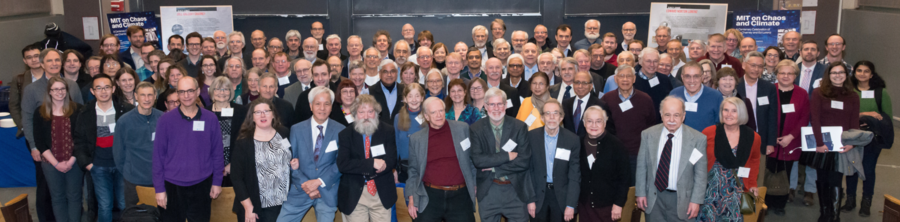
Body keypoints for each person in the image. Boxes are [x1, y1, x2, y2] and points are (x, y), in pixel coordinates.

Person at [21, 49, 85, 222]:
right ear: (42, 64)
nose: (54, 63)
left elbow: (80, 121)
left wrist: (74, 156)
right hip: (45, 150)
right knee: (47, 191)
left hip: (71, 151)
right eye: (50, 61)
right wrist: (34, 146)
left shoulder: (72, 85)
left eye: (58, 60)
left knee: (73, 194)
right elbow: (27, 119)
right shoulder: (31, 89)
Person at [153, 76, 224, 221]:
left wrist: (217, 182)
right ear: (177, 94)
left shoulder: (210, 119)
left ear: (198, 91)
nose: (186, 96)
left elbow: (217, 153)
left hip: (202, 184)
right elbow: (158, 157)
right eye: (182, 91)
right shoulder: (165, 120)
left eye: (190, 91)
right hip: (172, 185)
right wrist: (159, 189)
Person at [403, 95, 479, 221]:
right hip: (429, 196)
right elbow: (413, 171)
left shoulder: (462, 129)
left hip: (460, 196)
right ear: (426, 116)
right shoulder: (417, 139)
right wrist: (411, 197)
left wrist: (474, 184)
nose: (439, 115)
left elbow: (472, 159)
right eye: (433, 112)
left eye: (441, 111)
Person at [279, 86, 347, 221]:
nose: (322, 108)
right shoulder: (296, 129)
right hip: (300, 189)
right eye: (318, 104)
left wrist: (319, 182)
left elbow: (341, 163)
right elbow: (291, 161)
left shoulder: (341, 131)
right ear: (310, 106)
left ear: (331, 106)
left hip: (327, 190)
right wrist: (307, 184)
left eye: (326, 104)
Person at [635, 96, 708, 222]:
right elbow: (642, 166)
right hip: (654, 198)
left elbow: (700, 175)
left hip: (683, 201)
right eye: (667, 115)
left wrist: (696, 201)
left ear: (683, 116)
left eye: (677, 115)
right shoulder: (647, 135)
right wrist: (640, 192)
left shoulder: (697, 139)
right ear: (661, 114)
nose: (672, 120)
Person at [802, 62, 859, 221]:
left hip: (842, 145)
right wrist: (819, 143)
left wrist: (852, 143)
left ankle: (834, 216)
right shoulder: (819, 93)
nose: (838, 75)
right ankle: (824, 212)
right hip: (823, 145)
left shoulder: (853, 95)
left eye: (841, 72)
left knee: (835, 179)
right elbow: (816, 119)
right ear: (828, 75)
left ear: (846, 75)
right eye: (834, 73)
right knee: (822, 179)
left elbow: (854, 122)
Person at [74, 73, 135, 222]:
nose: (103, 91)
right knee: (105, 205)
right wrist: (88, 164)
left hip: (121, 166)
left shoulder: (126, 110)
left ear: (113, 88)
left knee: (124, 203)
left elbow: (134, 138)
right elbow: (79, 141)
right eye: (99, 88)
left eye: (107, 87)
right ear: (92, 91)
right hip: (98, 166)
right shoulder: (85, 113)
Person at [469, 88, 533, 222]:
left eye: (500, 104)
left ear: (506, 105)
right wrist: (507, 156)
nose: (496, 108)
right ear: (485, 107)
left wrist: (494, 168)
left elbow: (524, 161)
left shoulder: (519, 127)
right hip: (489, 190)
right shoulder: (476, 128)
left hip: (515, 190)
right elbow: (478, 161)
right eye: (492, 104)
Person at [696, 97, 761, 221]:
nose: (729, 114)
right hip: (710, 191)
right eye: (726, 110)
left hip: (736, 191)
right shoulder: (709, 132)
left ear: (741, 113)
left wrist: (752, 183)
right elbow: (697, 159)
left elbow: (754, 160)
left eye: (734, 111)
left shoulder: (753, 137)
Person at [337, 94, 398, 221]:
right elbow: (343, 164)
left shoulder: (388, 131)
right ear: (355, 114)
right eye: (361, 112)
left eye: (370, 111)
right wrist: (371, 164)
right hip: (355, 194)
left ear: (376, 113)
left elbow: (391, 160)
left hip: (381, 192)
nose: (366, 116)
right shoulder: (345, 134)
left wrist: (384, 165)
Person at [230, 99, 291, 221]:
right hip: (253, 205)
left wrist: (294, 163)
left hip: (280, 204)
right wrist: (248, 207)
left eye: (266, 111)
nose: (262, 115)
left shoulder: (284, 133)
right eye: (257, 112)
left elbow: (290, 158)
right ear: (252, 117)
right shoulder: (243, 141)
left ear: (273, 114)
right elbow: (236, 177)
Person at [34, 76, 83, 222]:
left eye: (62, 89)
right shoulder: (40, 112)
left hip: (74, 162)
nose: (59, 92)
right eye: (55, 89)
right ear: (49, 92)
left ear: (67, 91)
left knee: (75, 197)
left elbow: (81, 138)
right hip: (51, 164)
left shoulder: (77, 109)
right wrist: (56, 163)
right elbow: (40, 142)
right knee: (57, 198)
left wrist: (71, 161)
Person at [843, 60, 889, 217]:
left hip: (872, 138)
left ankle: (866, 202)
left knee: (868, 170)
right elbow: (844, 114)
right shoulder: (848, 91)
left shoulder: (881, 92)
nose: (862, 74)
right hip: (852, 136)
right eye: (859, 70)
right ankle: (850, 200)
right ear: (854, 73)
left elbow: (886, 118)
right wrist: (866, 114)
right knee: (852, 170)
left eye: (866, 71)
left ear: (872, 74)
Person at [764, 59, 809, 216]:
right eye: (782, 72)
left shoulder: (802, 93)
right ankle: (766, 202)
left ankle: (780, 204)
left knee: (785, 173)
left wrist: (791, 136)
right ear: (777, 74)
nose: (785, 76)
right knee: (768, 171)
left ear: (795, 75)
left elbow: (804, 117)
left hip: (790, 141)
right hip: (771, 139)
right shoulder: (769, 90)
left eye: (790, 73)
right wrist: (771, 136)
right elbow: (764, 114)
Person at [600, 65, 658, 183]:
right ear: (616, 79)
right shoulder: (607, 99)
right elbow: (604, 127)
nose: (625, 79)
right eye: (621, 76)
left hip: (637, 154)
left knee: (635, 188)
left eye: (628, 76)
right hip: (614, 153)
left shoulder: (645, 99)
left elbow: (652, 126)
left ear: (634, 79)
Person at [526, 98, 581, 222]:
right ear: (542, 117)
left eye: (556, 113)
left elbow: (574, 175)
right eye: (547, 113)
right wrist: (530, 200)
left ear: (561, 117)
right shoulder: (531, 137)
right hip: (538, 198)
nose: (551, 117)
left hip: (562, 199)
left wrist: (571, 204)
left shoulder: (572, 140)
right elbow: (527, 172)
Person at [113, 82, 163, 208]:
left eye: (150, 95)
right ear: (136, 96)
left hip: (160, 180)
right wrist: (129, 171)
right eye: (143, 95)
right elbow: (118, 154)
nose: (147, 99)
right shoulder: (124, 121)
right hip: (134, 181)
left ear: (155, 96)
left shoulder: (163, 119)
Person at [577, 105, 630, 222]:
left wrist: (618, 204)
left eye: (598, 121)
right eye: (590, 121)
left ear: (605, 123)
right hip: (584, 205)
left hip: (607, 206)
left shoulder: (617, 146)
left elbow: (624, 179)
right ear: (584, 123)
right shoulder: (577, 144)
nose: (594, 125)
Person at [737, 51, 778, 173]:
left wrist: (771, 143)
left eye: (760, 66)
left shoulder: (768, 88)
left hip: (761, 138)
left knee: (757, 173)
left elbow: (772, 116)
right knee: (739, 171)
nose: (756, 69)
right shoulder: (735, 85)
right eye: (753, 65)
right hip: (739, 136)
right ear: (744, 65)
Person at [207, 76, 248, 186]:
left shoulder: (241, 111)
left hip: (235, 166)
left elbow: (244, 139)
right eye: (218, 89)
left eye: (226, 89)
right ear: (212, 91)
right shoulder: (204, 113)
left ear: (231, 91)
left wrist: (233, 164)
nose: (222, 92)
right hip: (209, 167)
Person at [669, 62, 723, 132]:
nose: (692, 81)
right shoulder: (674, 94)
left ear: (702, 77)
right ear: (682, 77)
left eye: (696, 76)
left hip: (706, 141)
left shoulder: (716, 96)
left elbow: (720, 125)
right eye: (687, 76)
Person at [562, 71, 613, 137]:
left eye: (584, 83)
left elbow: (609, 130)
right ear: (573, 84)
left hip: (591, 145)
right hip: (570, 145)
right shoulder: (565, 103)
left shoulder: (600, 105)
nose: (580, 86)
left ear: (591, 86)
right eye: (577, 82)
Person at [394, 83, 426, 183]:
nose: (414, 100)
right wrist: (394, 169)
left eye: (417, 96)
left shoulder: (428, 117)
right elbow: (396, 144)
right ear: (405, 99)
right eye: (410, 96)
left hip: (424, 166)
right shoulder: (398, 118)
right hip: (405, 167)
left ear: (422, 98)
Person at [634, 48, 674, 113]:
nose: (652, 64)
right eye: (648, 61)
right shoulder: (632, 80)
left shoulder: (664, 79)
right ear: (640, 61)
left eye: (655, 61)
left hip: (659, 122)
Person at [370, 59, 406, 124]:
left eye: (392, 71)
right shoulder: (370, 92)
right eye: (385, 72)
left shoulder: (405, 90)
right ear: (380, 73)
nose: (389, 75)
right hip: (378, 132)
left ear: (397, 73)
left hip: (400, 132)